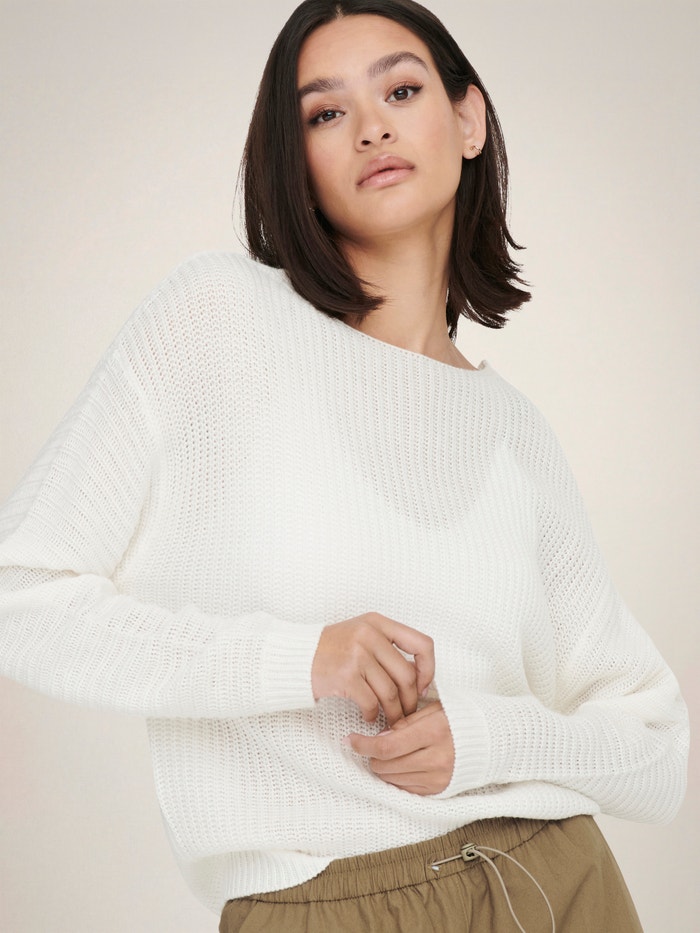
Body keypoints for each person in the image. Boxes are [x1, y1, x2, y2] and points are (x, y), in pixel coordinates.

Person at [0, 1, 688, 931]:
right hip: (320, 905)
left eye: (401, 90)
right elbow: (20, 593)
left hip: (555, 882)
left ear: (469, 121)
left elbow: (655, 744)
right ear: (297, 165)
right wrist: (302, 658)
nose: (371, 127)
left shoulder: (515, 433)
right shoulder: (216, 322)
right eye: (325, 113)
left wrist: (487, 738)